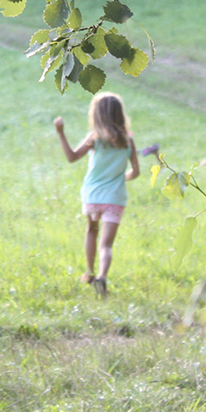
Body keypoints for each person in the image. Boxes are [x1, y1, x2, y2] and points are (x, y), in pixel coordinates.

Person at [54, 92, 141, 299]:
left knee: (91, 232)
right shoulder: (128, 141)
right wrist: (120, 178)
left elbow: (72, 157)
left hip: (92, 197)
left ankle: (90, 273)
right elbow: (136, 172)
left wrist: (61, 133)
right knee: (106, 245)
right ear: (120, 115)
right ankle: (102, 276)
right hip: (115, 199)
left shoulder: (94, 139)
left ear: (97, 115)